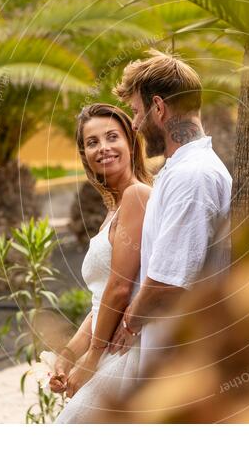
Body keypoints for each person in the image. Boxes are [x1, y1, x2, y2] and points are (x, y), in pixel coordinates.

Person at [108, 49, 232, 375]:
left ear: (159, 108)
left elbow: (169, 281)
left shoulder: (194, 176)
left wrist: (128, 327)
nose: (134, 124)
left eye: (136, 112)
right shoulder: (180, 170)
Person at [51, 103, 152, 423]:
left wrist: (92, 358)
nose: (103, 148)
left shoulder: (137, 196)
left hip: (121, 353)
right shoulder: (115, 209)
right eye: (92, 142)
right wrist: (68, 355)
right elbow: (100, 301)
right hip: (105, 347)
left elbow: (121, 289)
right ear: (84, 154)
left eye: (112, 137)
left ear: (131, 142)